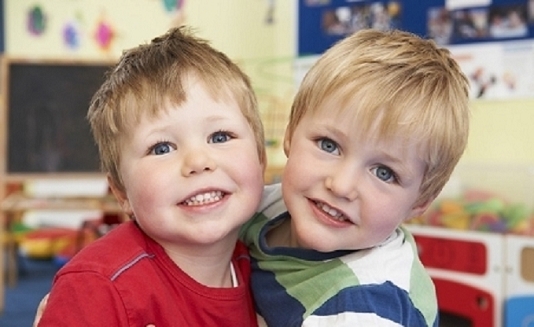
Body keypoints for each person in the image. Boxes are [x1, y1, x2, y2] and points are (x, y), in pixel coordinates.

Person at [36, 26, 266, 327]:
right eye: (162, 147)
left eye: (221, 136)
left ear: (261, 158)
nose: (198, 161)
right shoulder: (96, 288)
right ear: (121, 192)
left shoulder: (270, 269)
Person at [239, 28, 470, 326]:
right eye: (328, 145)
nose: (342, 185)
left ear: (420, 201)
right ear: (290, 134)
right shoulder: (265, 206)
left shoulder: (366, 307)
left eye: (384, 173)